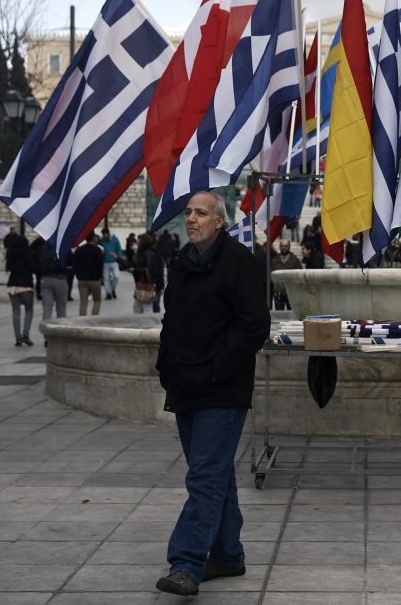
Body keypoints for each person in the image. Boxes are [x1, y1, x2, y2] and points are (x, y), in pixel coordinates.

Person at [153, 191, 270, 597]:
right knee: (216, 473)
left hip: (222, 390)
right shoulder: (182, 262)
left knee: (204, 475)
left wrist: (217, 369)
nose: (191, 219)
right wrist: (166, 366)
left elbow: (254, 325)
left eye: (200, 213)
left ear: (220, 221)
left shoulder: (240, 262)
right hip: (184, 386)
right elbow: (171, 320)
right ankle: (228, 554)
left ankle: (186, 562)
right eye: (188, 212)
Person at [6, 236, 36, 347]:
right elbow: (33, 267)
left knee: (16, 312)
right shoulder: (27, 253)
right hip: (25, 285)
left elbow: (8, 268)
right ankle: (25, 335)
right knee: (29, 310)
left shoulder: (10, 254)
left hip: (12, 286)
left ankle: (17, 338)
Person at [72, 233, 104, 316]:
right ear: (94, 239)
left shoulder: (79, 250)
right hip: (94, 280)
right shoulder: (97, 250)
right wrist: (99, 277)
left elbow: (75, 264)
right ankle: (93, 319)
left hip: (82, 280)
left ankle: (82, 320)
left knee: (83, 302)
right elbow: (100, 265)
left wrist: (78, 275)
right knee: (97, 300)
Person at [132, 233, 165, 314]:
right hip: (151, 284)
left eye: (139, 240)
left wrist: (135, 270)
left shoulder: (145, 254)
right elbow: (159, 270)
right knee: (144, 307)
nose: (137, 241)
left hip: (148, 285)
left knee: (147, 308)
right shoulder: (152, 252)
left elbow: (151, 270)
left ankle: (152, 321)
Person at [36, 244, 68, 324]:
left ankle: (46, 328)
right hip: (60, 279)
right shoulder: (63, 246)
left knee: (47, 308)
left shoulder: (42, 248)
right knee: (61, 308)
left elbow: (37, 264)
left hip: (46, 279)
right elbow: (70, 261)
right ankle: (61, 328)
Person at [270, 238, 302, 310]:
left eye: (286, 246)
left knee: (292, 313)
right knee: (279, 313)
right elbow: (270, 274)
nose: (284, 248)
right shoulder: (274, 259)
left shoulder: (295, 260)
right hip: (278, 292)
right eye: (282, 246)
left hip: (291, 292)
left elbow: (299, 273)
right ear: (280, 247)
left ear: (289, 247)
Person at [100, 228, 123, 300]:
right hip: (105, 262)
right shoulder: (101, 240)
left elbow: (119, 249)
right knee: (106, 279)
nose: (104, 237)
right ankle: (108, 294)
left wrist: (119, 258)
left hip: (114, 262)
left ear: (108, 233)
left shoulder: (115, 240)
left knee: (116, 277)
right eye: (103, 235)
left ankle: (112, 289)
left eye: (105, 235)